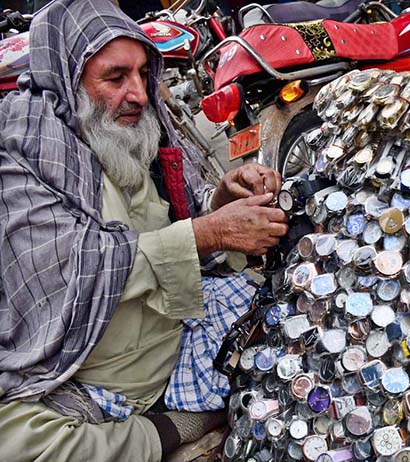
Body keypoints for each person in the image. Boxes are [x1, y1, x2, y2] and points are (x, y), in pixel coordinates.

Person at [0, 0, 288, 460]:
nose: (138, 93)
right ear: (69, 79)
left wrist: (221, 204)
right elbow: (68, 271)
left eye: (142, 73)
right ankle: (167, 430)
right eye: (115, 78)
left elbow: (171, 223)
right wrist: (206, 233)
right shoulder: (24, 151)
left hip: (176, 335)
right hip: (92, 375)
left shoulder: (130, 128)